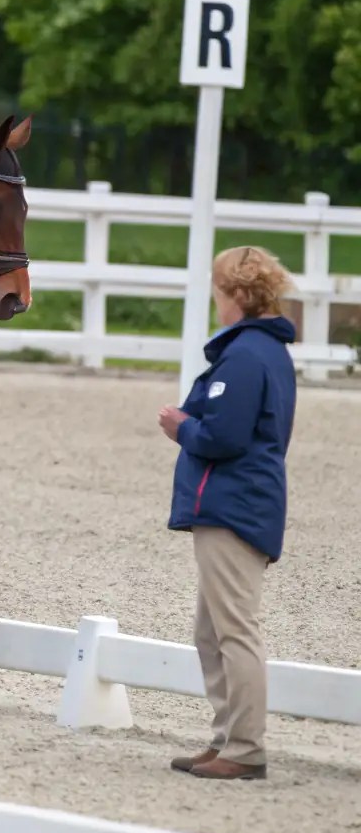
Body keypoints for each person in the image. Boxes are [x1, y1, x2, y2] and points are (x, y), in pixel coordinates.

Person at [159, 245, 297, 781]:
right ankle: (227, 739)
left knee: (234, 631)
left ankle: (244, 747)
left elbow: (225, 435)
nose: (216, 301)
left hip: (234, 504)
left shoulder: (245, 356)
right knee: (211, 631)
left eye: (218, 290)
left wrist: (182, 428)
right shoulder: (261, 353)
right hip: (239, 502)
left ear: (236, 294)